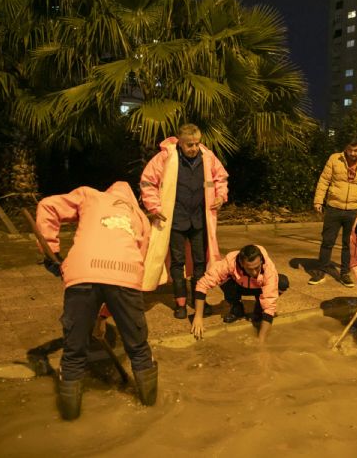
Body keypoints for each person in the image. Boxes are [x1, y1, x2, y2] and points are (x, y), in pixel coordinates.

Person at [36, 181, 157, 420]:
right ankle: (152, 407)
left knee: (73, 352)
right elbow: (137, 265)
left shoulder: (90, 195)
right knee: (139, 348)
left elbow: (47, 206)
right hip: (125, 274)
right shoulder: (141, 218)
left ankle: (70, 419)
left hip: (82, 271)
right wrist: (105, 314)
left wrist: (51, 251)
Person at [140, 124, 229, 319]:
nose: (194, 148)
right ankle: (180, 303)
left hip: (199, 220)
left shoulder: (208, 157)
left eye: (197, 144)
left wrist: (221, 196)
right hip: (175, 220)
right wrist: (154, 207)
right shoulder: (165, 157)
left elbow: (221, 178)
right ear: (180, 142)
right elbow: (147, 181)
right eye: (190, 144)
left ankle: (199, 301)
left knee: (200, 262)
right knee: (177, 263)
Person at [310, 139, 357, 287]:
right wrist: (318, 201)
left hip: (354, 210)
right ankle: (321, 271)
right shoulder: (335, 159)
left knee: (349, 244)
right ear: (345, 149)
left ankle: (345, 273)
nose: (353, 154)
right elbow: (324, 180)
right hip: (334, 207)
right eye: (350, 150)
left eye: (356, 150)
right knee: (327, 241)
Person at [191, 244, 289, 343]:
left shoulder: (268, 269)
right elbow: (202, 284)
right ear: (241, 263)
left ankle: (259, 308)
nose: (255, 272)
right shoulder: (230, 262)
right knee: (222, 278)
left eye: (257, 267)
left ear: (261, 261)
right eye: (250, 269)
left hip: (259, 288)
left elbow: (269, 307)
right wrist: (198, 317)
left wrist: (260, 341)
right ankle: (237, 308)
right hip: (239, 286)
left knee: (282, 282)